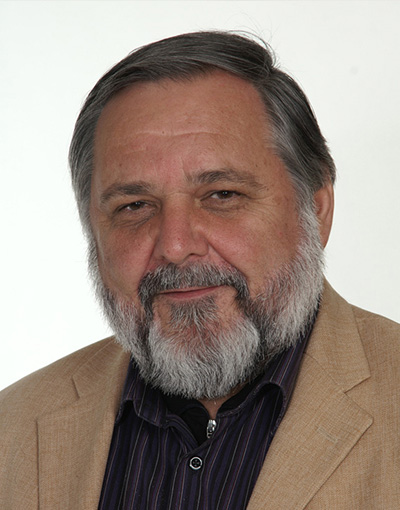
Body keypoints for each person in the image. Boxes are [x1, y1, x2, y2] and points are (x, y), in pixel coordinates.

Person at [1, 31, 399, 510]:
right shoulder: (12, 430)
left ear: (317, 209)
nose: (175, 246)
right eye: (134, 205)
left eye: (222, 195)